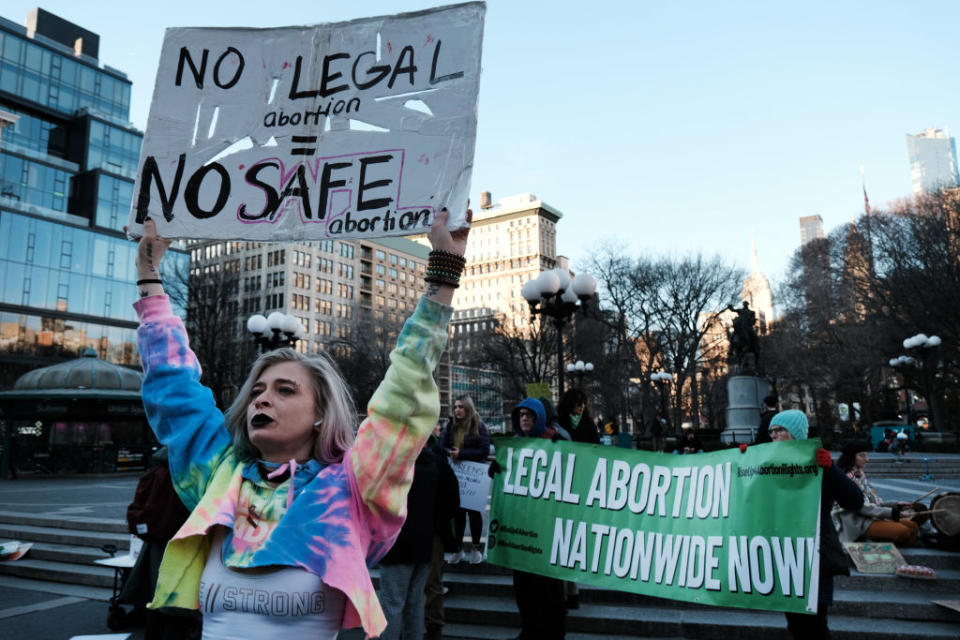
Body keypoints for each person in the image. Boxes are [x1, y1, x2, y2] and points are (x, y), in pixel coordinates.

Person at [129, 207, 470, 639]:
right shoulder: (220, 478)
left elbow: (402, 399)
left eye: (285, 390)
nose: (263, 398)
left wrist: (444, 272)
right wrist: (148, 273)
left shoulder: (352, 489)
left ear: (321, 414)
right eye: (257, 391)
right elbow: (173, 388)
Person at [767, 410, 863, 639]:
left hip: (815, 557)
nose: (774, 435)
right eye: (772, 431)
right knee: (796, 626)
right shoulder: (768, 463)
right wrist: (743, 466)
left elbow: (855, 500)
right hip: (785, 557)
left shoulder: (818, 462)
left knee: (815, 627)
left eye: (780, 430)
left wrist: (831, 469)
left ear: (796, 433)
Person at [377, 427, 459, 640]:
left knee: (392, 605)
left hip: (394, 545)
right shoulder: (435, 463)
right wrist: (433, 522)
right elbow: (452, 499)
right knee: (415, 604)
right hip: (424, 544)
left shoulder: (391, 466)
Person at [509, 398, 567, 639]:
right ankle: (529, 629)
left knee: (549, 589)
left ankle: (553, 633)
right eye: (521, 415)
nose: (524, 418)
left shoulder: (556, 442)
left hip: (548, 530)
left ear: (539, 418)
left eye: (529, 415)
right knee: (524, 587)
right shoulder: (513, 447)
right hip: (522, 530)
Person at [835, 442, 919, 547]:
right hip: (859, 524)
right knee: (904, 531)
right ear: (851, 457)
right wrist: (892, 513)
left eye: (866, 455)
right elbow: (862, 507)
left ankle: (891, 546)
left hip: (872, 518)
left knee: (913, 527)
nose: (867, 459)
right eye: (862, 456)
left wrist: (896, 505)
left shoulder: (860, 475)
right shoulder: (845, 479)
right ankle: (879, 542)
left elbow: (874, 501)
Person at [442, 394, 491, 564]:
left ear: (468, 408)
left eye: (461, 407)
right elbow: (442, 447)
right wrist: (451, 453)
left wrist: (461, 454)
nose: (457, 410)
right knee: (457, 514)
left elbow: (484, 450)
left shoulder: (479, 426)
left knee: (474, 513)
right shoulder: (449, 426)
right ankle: (458, 549)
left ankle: (476, 549)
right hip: (456, 475)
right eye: (455, 407)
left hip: (474, 478)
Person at [423, 422, 460, 640]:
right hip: (414, 529)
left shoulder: (437, 457)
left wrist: (440, 519)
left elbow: (451, 496)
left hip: (433, 529)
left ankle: (434, 625)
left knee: (432, 581)